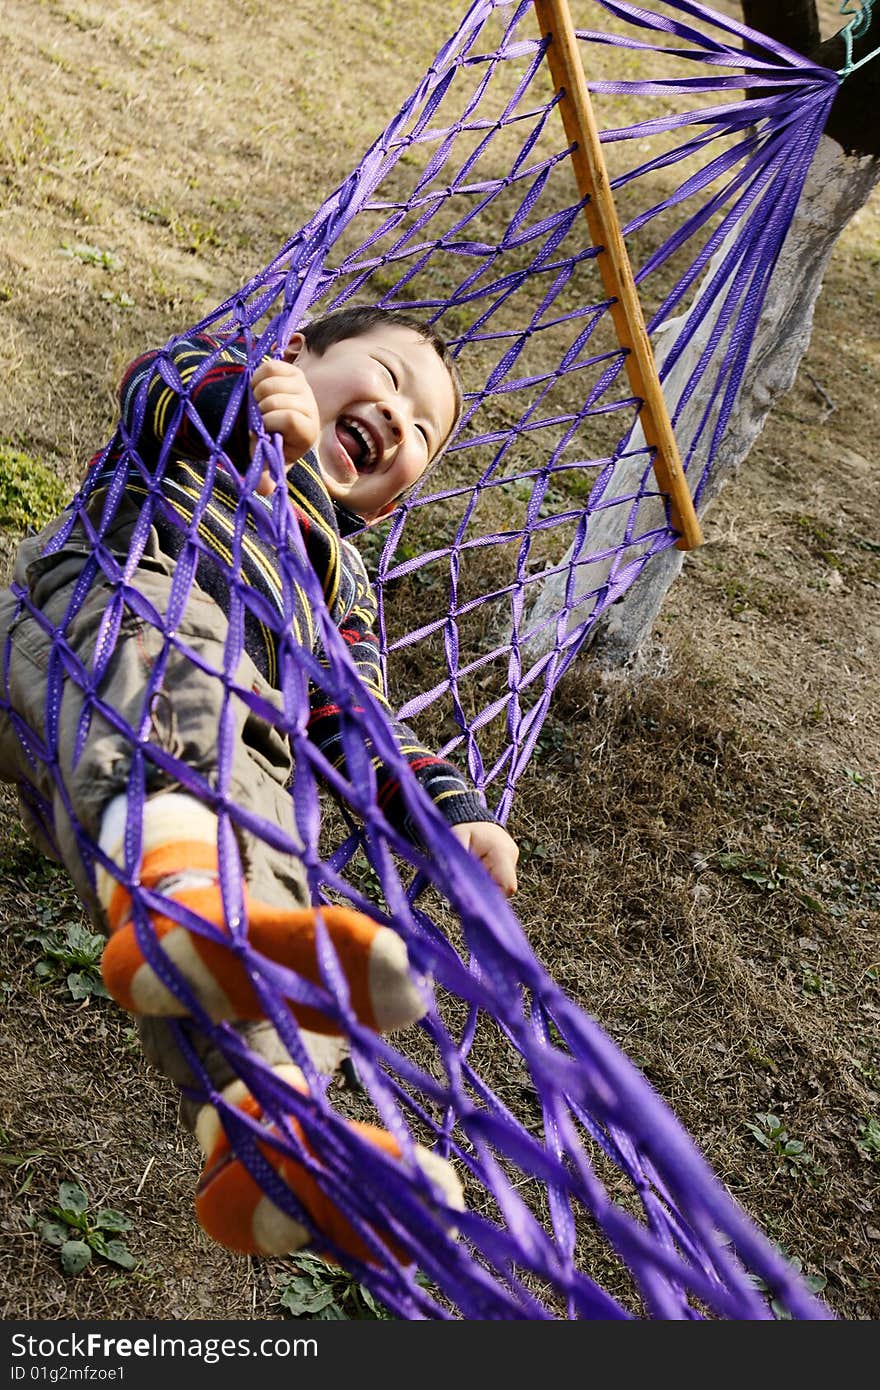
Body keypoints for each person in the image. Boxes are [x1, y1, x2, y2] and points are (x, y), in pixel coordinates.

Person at [0, 305, 519, 1265]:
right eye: (390, 382)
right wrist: (244, 396)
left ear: (390, 504)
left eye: (423, 437)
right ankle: (190, 906)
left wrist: (450, 817)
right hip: (110, 611)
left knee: (284, 900)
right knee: (187, 675)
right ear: (295, 356)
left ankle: (274, 1138)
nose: (399, 425)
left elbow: (356, 718)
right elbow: (153, 381)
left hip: (207, 767)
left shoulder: (344, 582)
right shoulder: (218, 404)